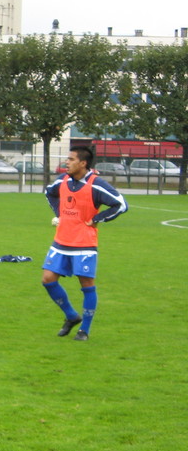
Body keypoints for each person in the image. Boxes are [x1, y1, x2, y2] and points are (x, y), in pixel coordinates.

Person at [42, 146, 128, 341]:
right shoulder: (62, 180)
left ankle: (84, 331)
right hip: (61, 241)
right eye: (67, 159)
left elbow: (121, 204)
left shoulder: (96, 184)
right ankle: (72, 316)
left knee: (87, 284)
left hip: (84, 244)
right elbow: (49, 192)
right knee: (47, 279)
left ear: (83, 163)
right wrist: (59, 213)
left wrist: (99, 218)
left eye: (71, 159)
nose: (67, 162)